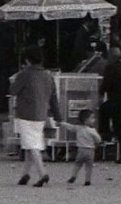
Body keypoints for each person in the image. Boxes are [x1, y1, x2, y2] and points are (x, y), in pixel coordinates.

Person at [9, 47, 60, 188]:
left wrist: (19, 73)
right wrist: (58, 117)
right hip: (41, 114)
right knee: (31, 144)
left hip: (26, 113)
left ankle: (42, 173)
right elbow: (54, 99)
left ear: (27, 60)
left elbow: (13, 90)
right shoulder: (48, 76)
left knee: (32, 145)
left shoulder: (25, 74)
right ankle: (25, 174)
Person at [68, 108, 101, 186]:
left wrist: (62, 123)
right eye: (92, 118)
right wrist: (97, 142)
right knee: (89, 166)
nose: (94, 120)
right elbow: (98, 139)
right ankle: (87, 180)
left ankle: (74, 175)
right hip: (90, 151)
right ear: (86, 120)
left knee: (77, 164)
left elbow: (70, 127)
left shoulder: (78, 128)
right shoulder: (92, 130)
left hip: (81, 150)